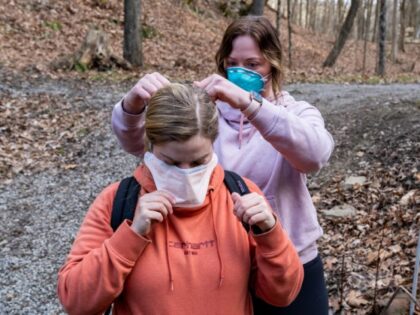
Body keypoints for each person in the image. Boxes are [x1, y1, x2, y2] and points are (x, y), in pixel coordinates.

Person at [111, 16, 334, 314]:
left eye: (253, 64)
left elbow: (314, 155)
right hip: (225, 264)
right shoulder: (208, 116)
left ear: (272, 65)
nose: (241, 72)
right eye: (233, 63)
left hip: (290, 257)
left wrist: (249, 105)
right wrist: (132, 104)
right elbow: (141, 146)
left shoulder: (294, 113)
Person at [57, 84, 303, 315]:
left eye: (198, 161)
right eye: (171, 162)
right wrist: (131, 235)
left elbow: (283, 294)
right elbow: (76, 300)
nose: (186, 171)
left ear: (213, 146)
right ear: (149, 146)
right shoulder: (118, 201)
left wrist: (270, 232)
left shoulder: (241, 193)